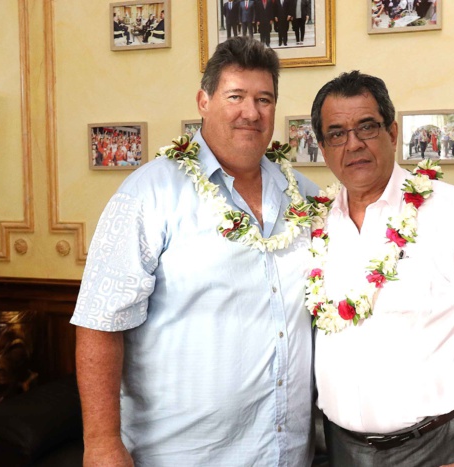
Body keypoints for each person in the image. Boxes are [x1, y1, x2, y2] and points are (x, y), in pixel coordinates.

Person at [71, 36, 318, 466]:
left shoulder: (303, 195)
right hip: (183, 454)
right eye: (235, 96)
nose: (251, 112)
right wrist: (102, 442)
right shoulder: (150, 193)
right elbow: (100, 322)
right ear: (204, 101)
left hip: (285, 451)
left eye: (264, 99)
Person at [308, 71, 454, 467]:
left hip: (439, 445)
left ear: (392, 132)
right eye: (337, 134)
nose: (354, 144)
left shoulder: (452, 212)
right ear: (323, 148)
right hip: (342, 448)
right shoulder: (315, 223)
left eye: (367, 127)